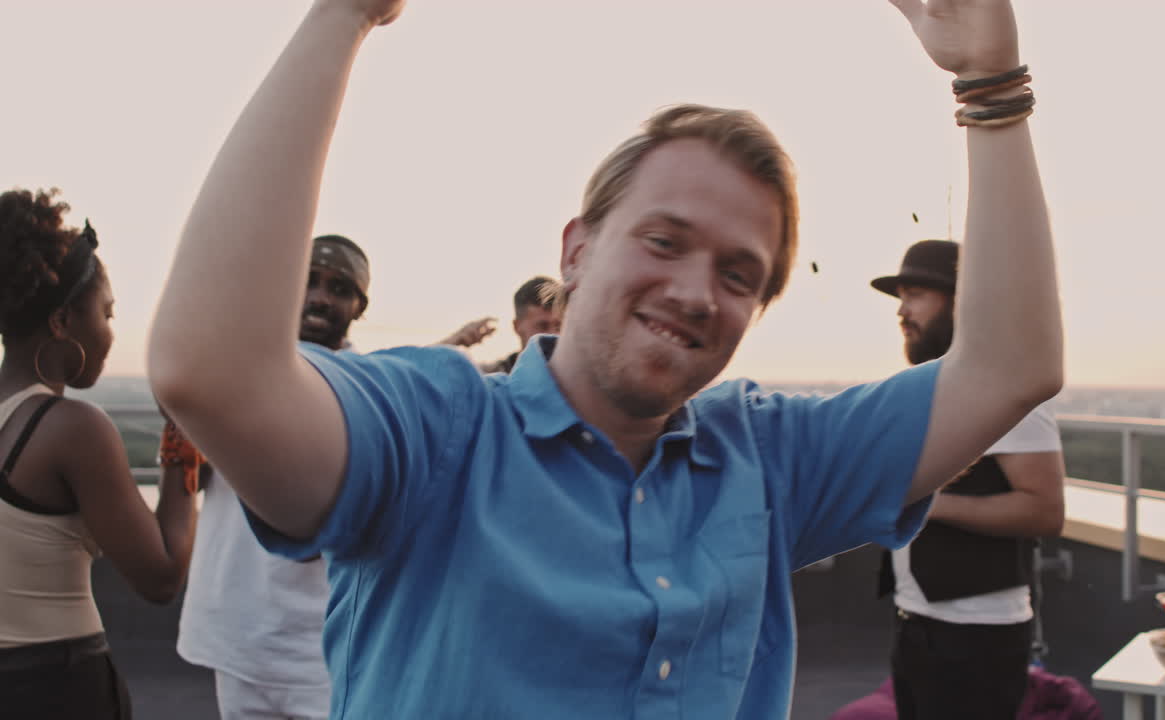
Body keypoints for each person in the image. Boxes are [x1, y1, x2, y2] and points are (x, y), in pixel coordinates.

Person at [148, 0, 1063, 716]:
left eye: (739, 272)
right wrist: (343, 13)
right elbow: (213, 371)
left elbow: (1009, 368)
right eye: (663, 241)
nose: (698, 291)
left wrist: (991, 85)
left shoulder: (769, 459)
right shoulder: (437, 428)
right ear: (576, 250)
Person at [0, 188, 199, 719]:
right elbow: (160, 575)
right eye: (107, 313)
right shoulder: (71, 428)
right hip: (54, 687)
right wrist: (183, 441)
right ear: (63, 322)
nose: (110, 333)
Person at [176, 234, 375, 720]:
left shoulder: (370, 388)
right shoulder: (233, 368)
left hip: (324, 654)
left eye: (339, 287)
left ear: (359, 306)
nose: (321, 297)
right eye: (308, 280)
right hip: (236, 639)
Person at [870, 239, 1066, 720]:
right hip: (916, 624)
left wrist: (926, 504)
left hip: (976, 638)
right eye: (901, 298)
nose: (902, 311)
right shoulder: (930, 388)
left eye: (915, 294)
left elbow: (1045, 509)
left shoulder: (1006, 391)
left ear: (964, 301)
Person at [483, 275, 562, 373]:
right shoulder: (488, 381)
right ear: (517, 326)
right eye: (543, 326)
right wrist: (458, 346)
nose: (554, 334)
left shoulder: (580, 379)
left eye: (558, 326)